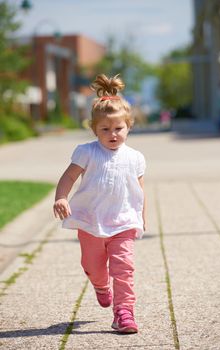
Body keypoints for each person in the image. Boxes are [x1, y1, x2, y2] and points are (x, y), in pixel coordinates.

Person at [53, 74, 146, 334]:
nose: (112, 134)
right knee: (93, 267)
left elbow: (139, 190)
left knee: (124, 268)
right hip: (91, 222)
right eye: (105, 129)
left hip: (123, 221)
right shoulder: (87, 152)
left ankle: (124, 312)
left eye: (118, 128)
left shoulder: (136, 157)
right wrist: (61, 196)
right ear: (95, 130)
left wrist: (141, 216)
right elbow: (69, 176)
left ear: (129, 126)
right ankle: (100, 285)